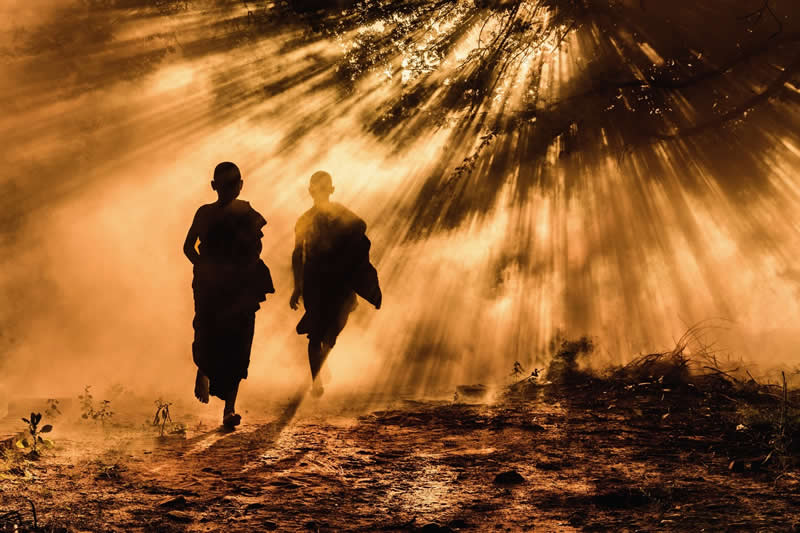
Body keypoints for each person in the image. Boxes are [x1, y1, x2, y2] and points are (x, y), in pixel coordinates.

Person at [184, 162, 274, 429]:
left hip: (240, 288)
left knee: (238, 344)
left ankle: (229, 410)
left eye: (233, 185)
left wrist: (239, 271)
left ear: (241, 185)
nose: (229, 190)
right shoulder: (204, 213)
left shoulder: (248, 214)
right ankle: (204, 369)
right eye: (224, 185)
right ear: (214, 186)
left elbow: (255, 249)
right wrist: (204, 268)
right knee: (207, 333)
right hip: (210, 288)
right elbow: (188, 247)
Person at [290, 171, 381, 397]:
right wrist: (298, 285)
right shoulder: (304, 219)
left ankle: (321, 361)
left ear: (331, 190)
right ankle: (316, 381)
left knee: (334, 328)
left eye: (324, 189)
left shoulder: (341, 212)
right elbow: (296, 252)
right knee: (315, 331)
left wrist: (343, 241)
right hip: (315, 280)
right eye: (317, 189)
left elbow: (361, 226)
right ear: (311, 192)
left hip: (339, 279)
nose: (320, 193)